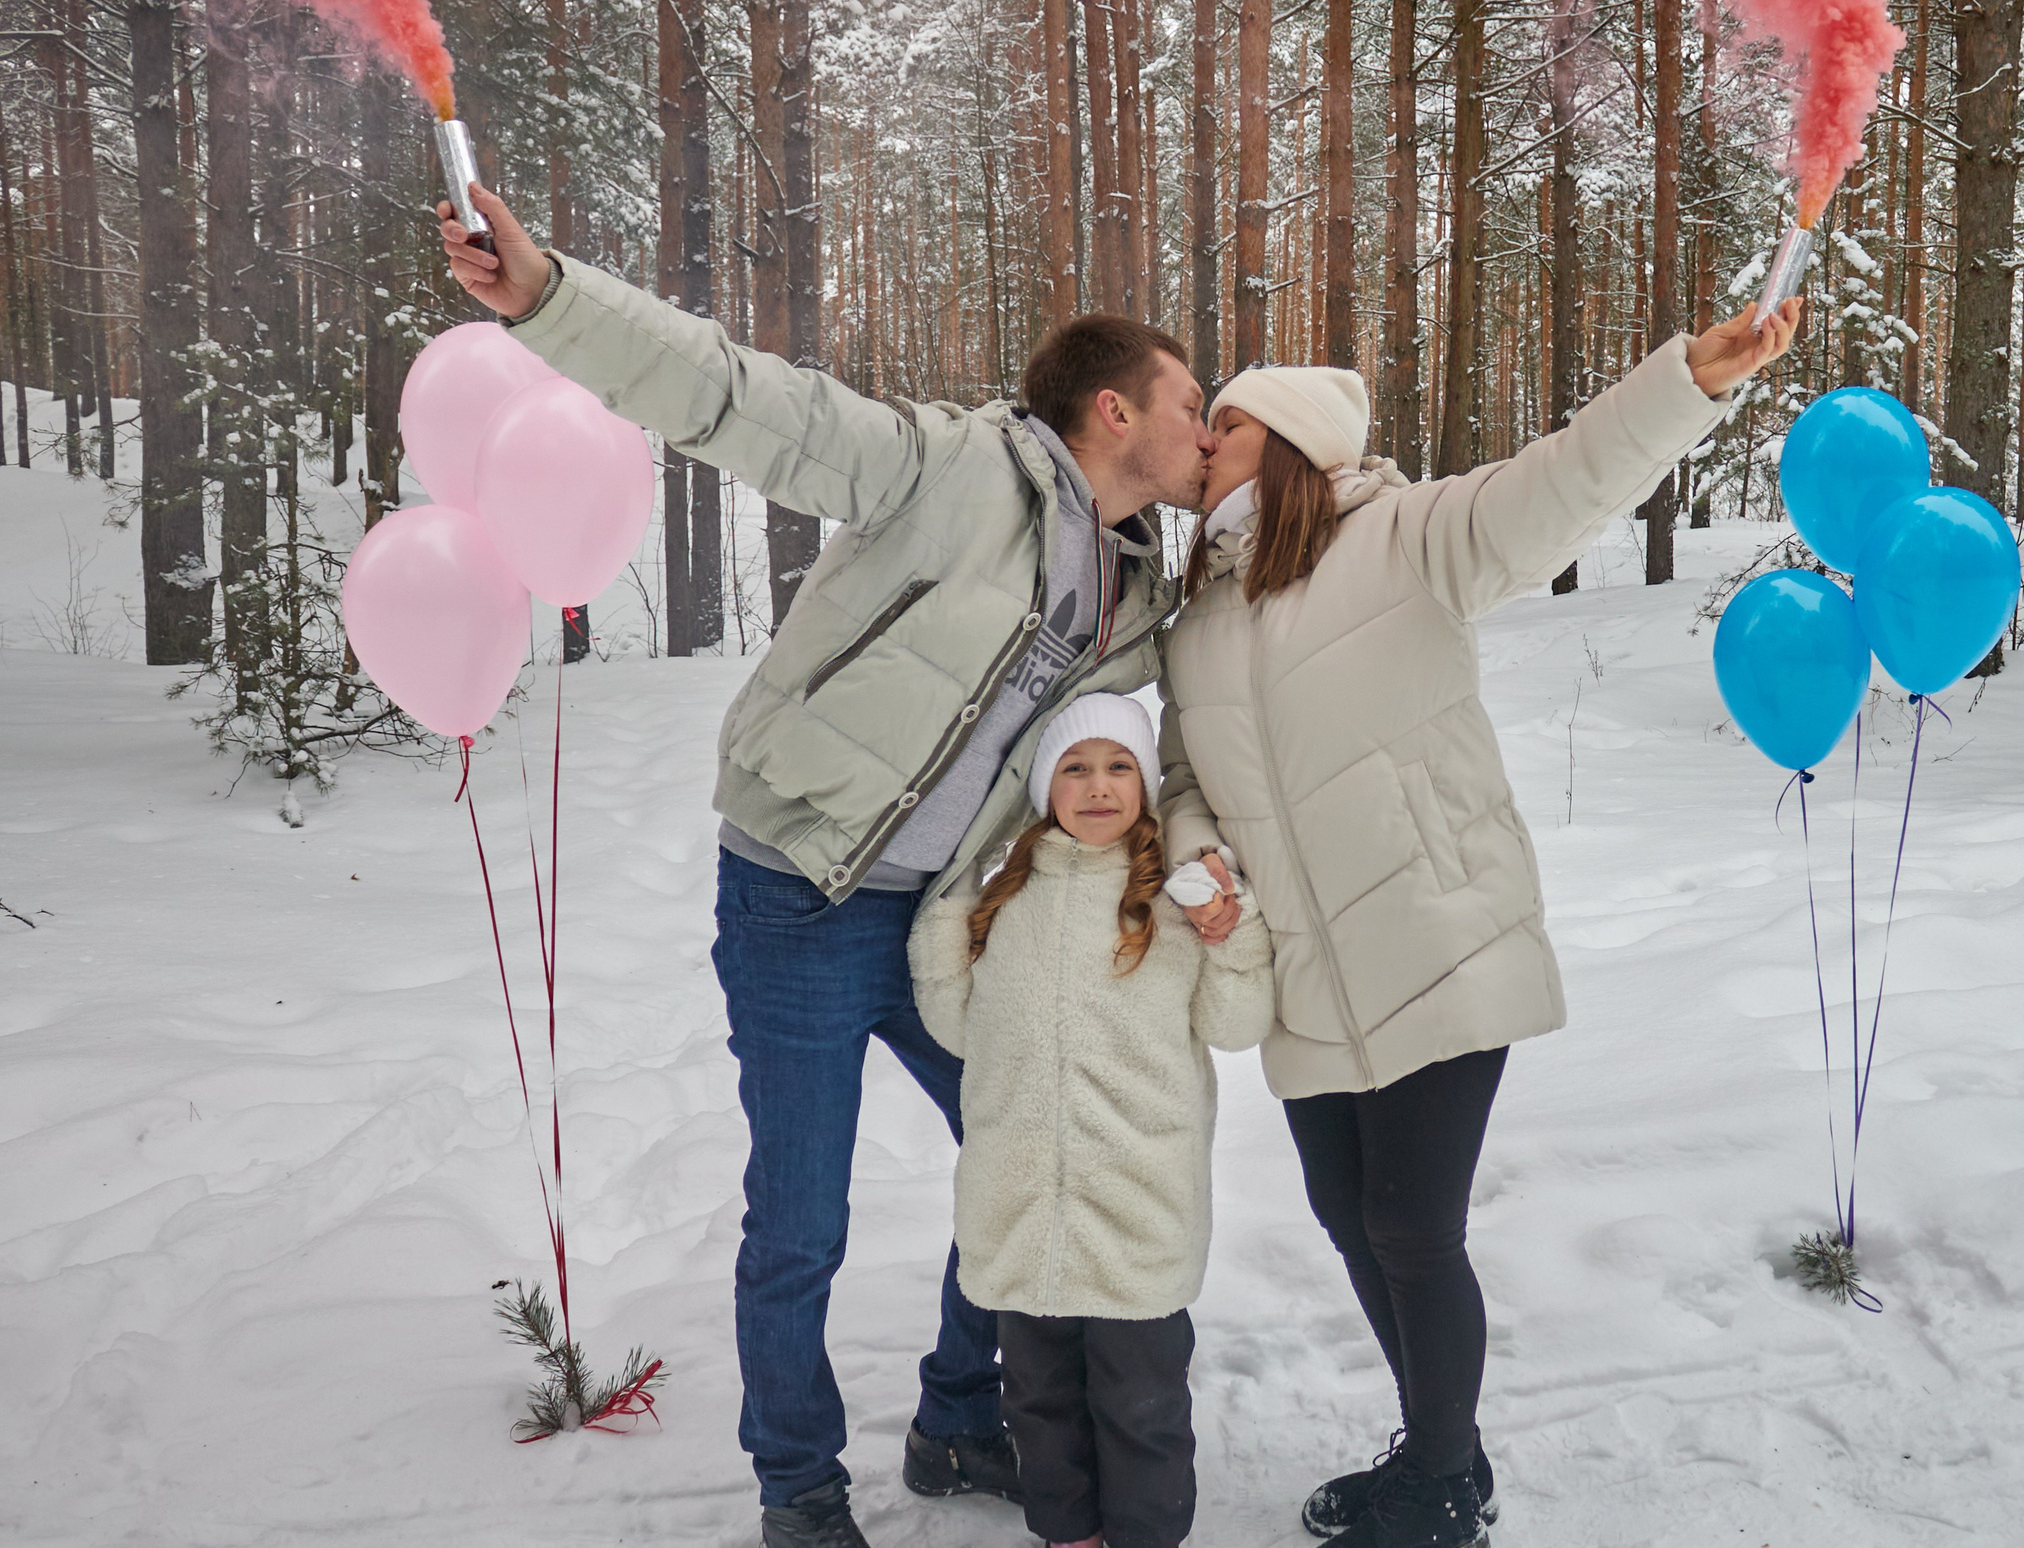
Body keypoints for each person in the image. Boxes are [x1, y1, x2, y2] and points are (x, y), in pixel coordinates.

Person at [439, 185, 1219, 1548]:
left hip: (945, 920)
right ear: (1113, 411)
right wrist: (550, 296)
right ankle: (797, 1483)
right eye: (1191, 404)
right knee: (800, 1220)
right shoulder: (946, 467)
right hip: (797, 895)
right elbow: (737, 396)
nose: (1204, 430)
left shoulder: (1139, 589)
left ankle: (956, 1416)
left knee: (1026, 1154)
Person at [1158, 300, 1800, 1548]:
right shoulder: (1200, 621)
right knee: (1352, 1220)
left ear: (1287, 442)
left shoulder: (1405, 537)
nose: (1202, 439)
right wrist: (1196, 859)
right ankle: (1439, 1451)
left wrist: (1686, 381)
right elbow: (1184, 777)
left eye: (1223, 421)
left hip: (1436, 933)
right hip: (1307, 971)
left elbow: (1566, 475)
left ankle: (1443, 1489)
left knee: (1410, 1226)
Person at [907, 692, 1275, 1548]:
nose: (1098, 785)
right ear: (1045, 787)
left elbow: (1236, 1021)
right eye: (1075, 767)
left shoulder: (1173, 901)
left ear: (1145, 784)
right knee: (1039, 1403)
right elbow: (959, 1026)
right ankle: (1067, 1534)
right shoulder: (1008, 899)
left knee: (1142, 1405)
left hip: (1137, 1207)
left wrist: (1231, 929)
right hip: (1021, 1213)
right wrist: (944, 919)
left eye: (1118, 766)